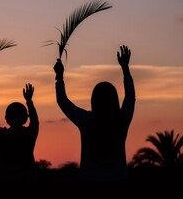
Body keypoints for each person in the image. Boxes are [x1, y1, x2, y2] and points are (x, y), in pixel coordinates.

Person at [53, 45, 136, 183]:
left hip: (90, 180)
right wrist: (125, 69)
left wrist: (59, 77)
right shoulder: (122, 120)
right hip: (119, 179)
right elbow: (130, 98)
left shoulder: (87, 121)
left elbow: (63, 101)